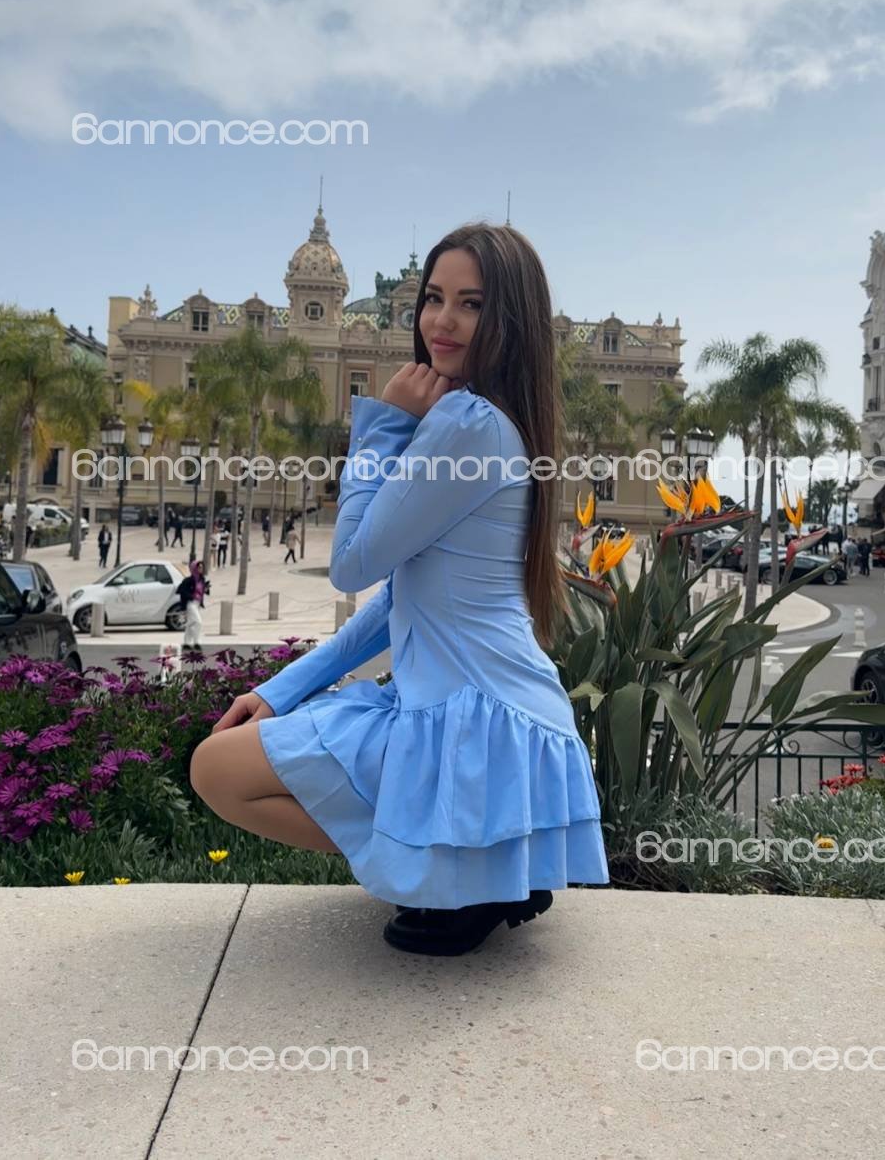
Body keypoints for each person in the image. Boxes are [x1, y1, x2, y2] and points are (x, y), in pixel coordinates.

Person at [191, 221, 609, 957]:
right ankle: (466, 868)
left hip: (474, 720)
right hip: (488, 714)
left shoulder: (467, 425)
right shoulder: (493, 420)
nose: (442, 320)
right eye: (434, 298)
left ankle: (457, 874)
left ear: (510, 321)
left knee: (216, 770)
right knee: (226, 766)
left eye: (472, 304)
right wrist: (283, 689)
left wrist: (381, 425)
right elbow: (398, 599)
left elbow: (351, 563)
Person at [177, 559, 206, 649]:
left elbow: (201, 591)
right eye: (199, 567)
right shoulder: (188, 580)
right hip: (191, 603)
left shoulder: (202, 579)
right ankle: (197, 642)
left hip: (198, 603)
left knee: (190, 623)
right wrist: (191, 596)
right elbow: (181, 590)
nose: (201, 569)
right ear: (194, 568)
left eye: (202, 567)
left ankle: (187, 643)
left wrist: (206, 590)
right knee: (198, 622)